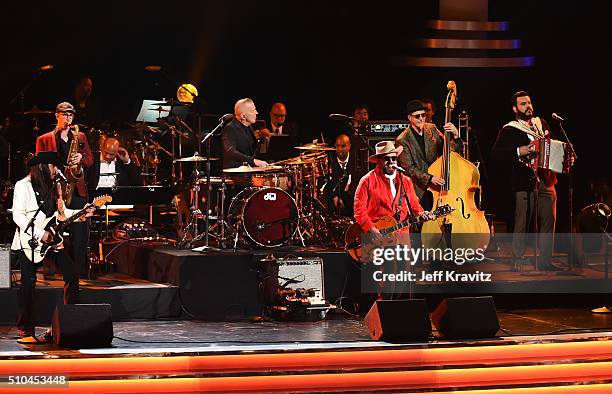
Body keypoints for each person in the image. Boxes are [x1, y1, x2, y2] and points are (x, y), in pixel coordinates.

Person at [11, 152, 95, 342]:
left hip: (52, 240)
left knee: (71, 275)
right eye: (54, 166)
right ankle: (26, 329)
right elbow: (18, 216)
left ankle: (68, 324)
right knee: (28, 283)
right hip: (29, 241)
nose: (57, 170)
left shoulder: (56, 186)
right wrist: (41, 234)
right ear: (42, 167)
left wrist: (81, 214)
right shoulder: (22, 186)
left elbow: (61, 214)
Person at [491, 91, 561, 271]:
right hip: (524, 179)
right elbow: (496, 154)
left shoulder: (541, 123)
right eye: (523, 104)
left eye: (529, 102)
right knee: (522, 220)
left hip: (546, 178)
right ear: (515, 108)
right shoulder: (510, 129)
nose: (528, 106)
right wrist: (517, 151)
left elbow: (551, 146)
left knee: (549, 219)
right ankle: (517, 258)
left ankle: (545, 260)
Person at [36, 102, 94, 279]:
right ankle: (51, 268)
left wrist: (81, 158)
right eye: (65, 114)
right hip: (54, 190)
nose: (68, 118)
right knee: (53, 230)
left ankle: (78, 270)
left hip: (76, 190)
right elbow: (39, 166)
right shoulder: (44, 139)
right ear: (56, 115)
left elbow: (90, 160)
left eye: (71, 115)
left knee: (79, 234)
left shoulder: (80, 136)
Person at [395, 99, 460, 210]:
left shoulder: (432, 128)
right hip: (419, 189)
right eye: (417, 116)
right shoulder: (402, 139)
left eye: (423, 115)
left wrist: (456, 136)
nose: (421, 118)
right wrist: (430, 178)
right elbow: (408, 168)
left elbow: (446, 151)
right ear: (409, 118)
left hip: (437, 184)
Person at [221, 98, 269, 169]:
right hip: (235, 175)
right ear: (243, 116)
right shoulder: (230, 128)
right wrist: (253, 161)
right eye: (253, 111)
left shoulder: (248, 126)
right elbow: (230, 152)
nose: (257, 113)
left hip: (248, 172)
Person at [324, 134, 356, 216]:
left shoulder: (356, 161)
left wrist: (345, 199)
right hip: (333, 203)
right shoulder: (329, 161)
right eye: (337, 146)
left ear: (349, 146)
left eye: (343, 146)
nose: (340, 149)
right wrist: (334, 197)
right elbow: (326, 186)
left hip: (351, 202)